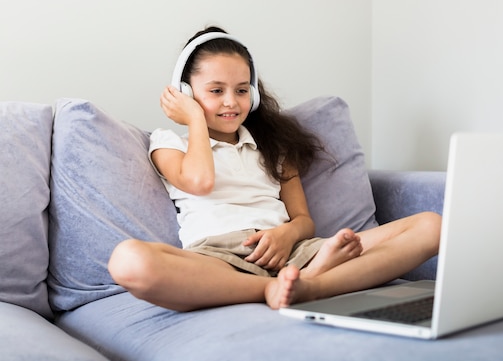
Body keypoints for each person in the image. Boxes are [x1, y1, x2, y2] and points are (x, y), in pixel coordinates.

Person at [108, 26, 441, 311]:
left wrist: (286, 235)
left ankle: (311, 285)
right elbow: (200, 181)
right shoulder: (169, 143)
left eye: (241, 91)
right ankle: (276, 288)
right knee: (128, 261)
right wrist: (195, 118)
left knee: (432, 226)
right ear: (184, 92)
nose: (230, 102)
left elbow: (303, 221)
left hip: (292, 252)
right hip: (216, 261)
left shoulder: (274, 148)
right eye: (215, 91)